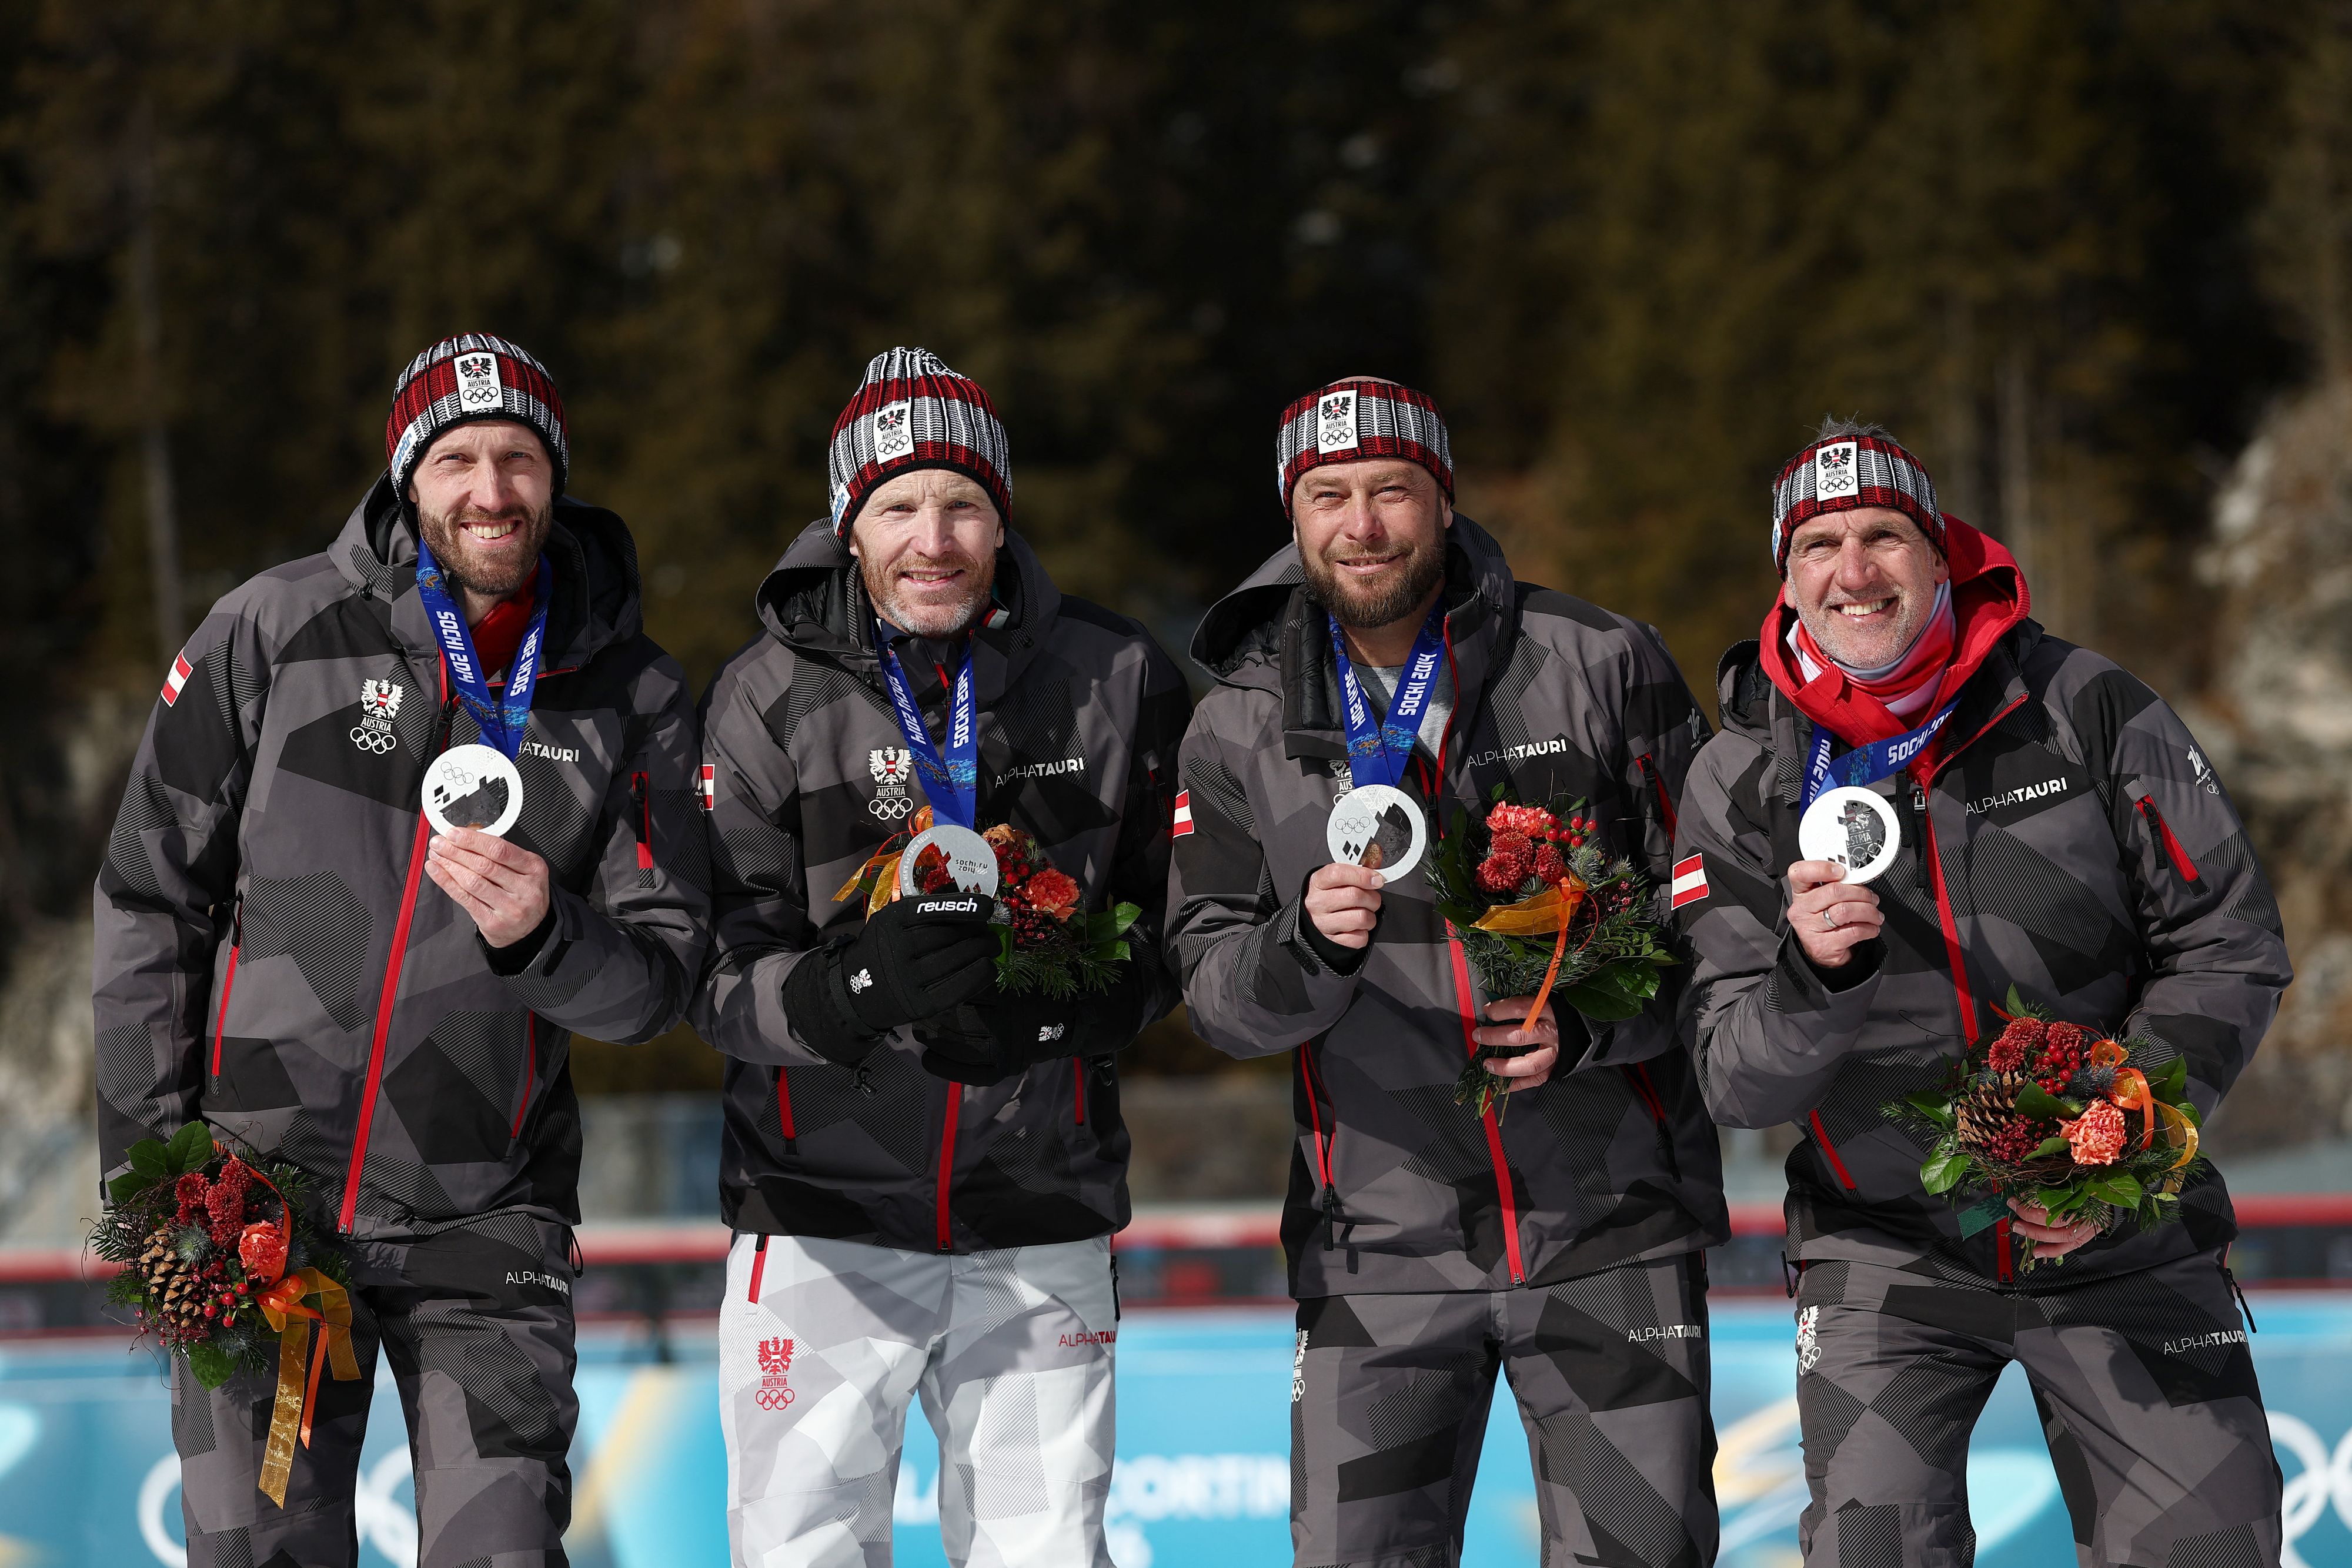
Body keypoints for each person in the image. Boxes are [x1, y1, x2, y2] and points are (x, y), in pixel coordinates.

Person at [93, 332, 710, 1566]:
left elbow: (662, 978)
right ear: (407, 477)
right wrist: (158, 1172)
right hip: (259, 1207)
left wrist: (547, 931)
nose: (493, 490)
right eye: (462, 459)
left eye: (521, 459)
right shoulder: (274, 629)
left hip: (485, 1219)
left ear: (556, 476)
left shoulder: (628, 691)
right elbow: (150, 898)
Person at [1673, 420, 2291, 1566]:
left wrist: (2113, 1134)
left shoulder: (2081, 705)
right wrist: (1816, 973)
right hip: (1884, 1253)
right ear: (1784, 572)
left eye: (1881, 535)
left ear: (1938, 550)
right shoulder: (1737, 776)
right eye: (1816, 544)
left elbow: (2227, 939)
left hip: (2125, 1223)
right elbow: (1733, 1076)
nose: (1851, 570)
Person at [1168, 377, 1726, 1567]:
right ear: (1293, 514)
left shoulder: (1597, 662)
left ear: (1441, 500)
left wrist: (1590, 1025)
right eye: (1328, 495)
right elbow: (1211, 990)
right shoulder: (1238, 723)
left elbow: (1718, 923)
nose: (1360, 522)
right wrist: (1304, 946)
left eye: (1389, 490)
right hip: (1376, 1244)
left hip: (1607, 1231)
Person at [691, 347, 1191, 1567]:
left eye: (963, 502)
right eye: (898, 505)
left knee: (1046, 1553)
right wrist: (845, 990)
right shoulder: (765, 697)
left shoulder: (1115, 677)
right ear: (846, 525)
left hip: (1041, 1207)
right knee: (803, 1552)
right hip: (820, 1221)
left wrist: (1054, 1021)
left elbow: (1178, 933)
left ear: (1001, 517)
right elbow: (707, 969)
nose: (934, 538)